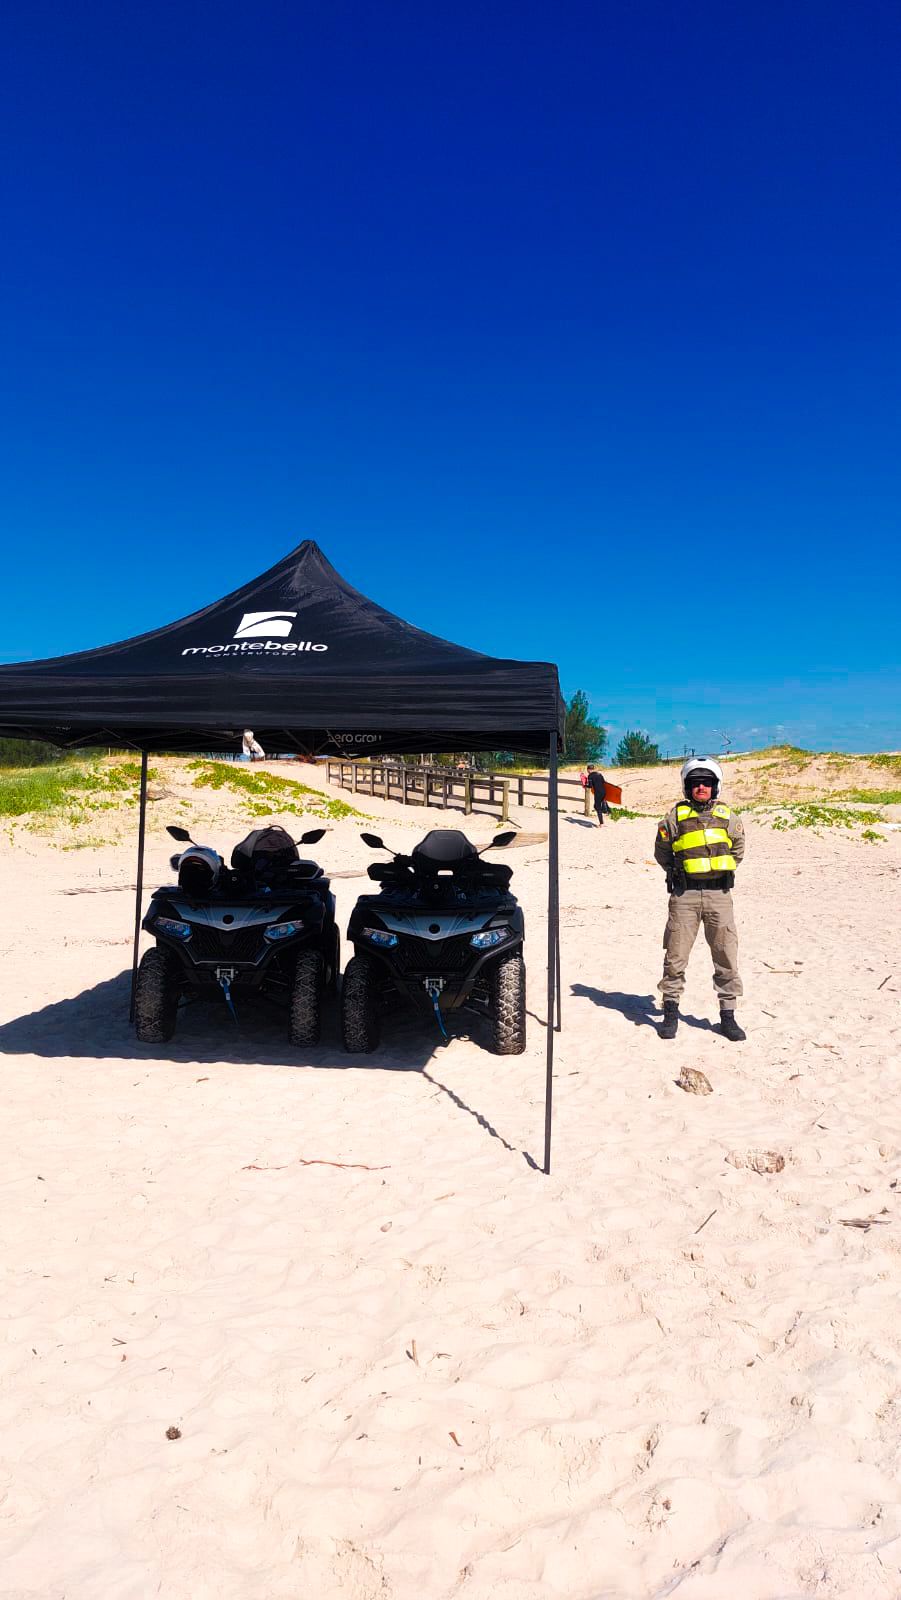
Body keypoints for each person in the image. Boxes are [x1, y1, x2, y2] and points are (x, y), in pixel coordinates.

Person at [653, 756, 746, 1042]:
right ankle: (670, 1013)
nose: (701, 787)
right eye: (696, 783)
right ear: (687, 787)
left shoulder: (729, 817)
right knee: (675, 956)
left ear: (715, 786)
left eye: (707, 783)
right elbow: (662, 852)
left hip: (720, 895)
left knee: (726, 956)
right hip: (685, 896)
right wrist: (679, 873)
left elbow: (739, 850)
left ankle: (728, 1016)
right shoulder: (673, 817)